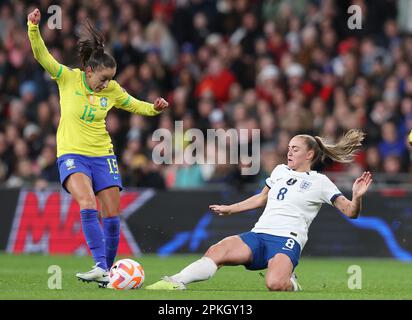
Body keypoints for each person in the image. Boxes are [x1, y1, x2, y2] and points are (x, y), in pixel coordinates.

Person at [27, 9, 169, 285]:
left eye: (110, 79)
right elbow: (42, 56)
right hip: (72, 154)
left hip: (103, 155)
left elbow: (133, 104)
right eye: (103, 79)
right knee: (88, 202)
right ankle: (99, 265)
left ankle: (106, 271)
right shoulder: (68, 78)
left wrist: (153, 108)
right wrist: (33, 28)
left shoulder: (112, 89)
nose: (106, 85)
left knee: (113, 216)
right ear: (88, 71)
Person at [146, 129, 373, 291]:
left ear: (310, 155)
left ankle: (291, 281)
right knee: (218, 250)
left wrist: (357, 197)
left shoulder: (320, 182)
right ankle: (175, 281)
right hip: (259, 234)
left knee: (274, 284)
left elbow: (351, 211)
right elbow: (261, 198)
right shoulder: (279, 171)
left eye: (295, 149)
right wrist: (231, 209)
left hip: (287, 240)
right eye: (289, 148)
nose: (289, 152)